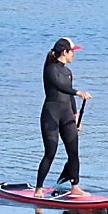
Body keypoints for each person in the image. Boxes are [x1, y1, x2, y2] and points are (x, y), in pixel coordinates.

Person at [36, 37, 92, 197]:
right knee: (50, 152)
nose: (73, 55)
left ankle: (75, 186)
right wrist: (77, 92)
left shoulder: (68, 72)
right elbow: (59, 87)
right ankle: (38, 189)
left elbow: (69, 96)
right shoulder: (50, 70)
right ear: (64, 52)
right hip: (51, 116)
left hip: (66, 114)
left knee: (73, 152)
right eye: (72, 52)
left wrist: (76, 116)